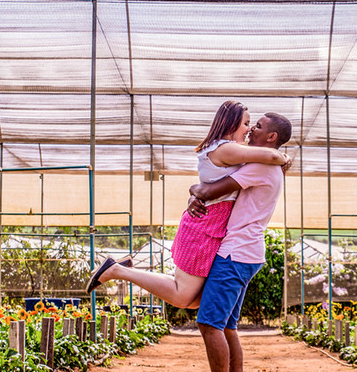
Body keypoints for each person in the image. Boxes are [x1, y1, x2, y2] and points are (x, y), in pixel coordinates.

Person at [85, 101, 289, 307]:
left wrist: (194, 192)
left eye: (253, 125)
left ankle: (123, 270)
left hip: (214, 225)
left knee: (195, 301)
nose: (250, 129)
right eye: (246, 123)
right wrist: (285, 157)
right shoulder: (226, 149)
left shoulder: (232, 151)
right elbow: (271, 155)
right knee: (182, 296)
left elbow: (210, 184)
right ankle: (117, 270)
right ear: (231, 124)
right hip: (206, 224)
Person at [182, 111, 293, 372]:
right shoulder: (266, 166)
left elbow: (209, 191)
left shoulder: (259, 165)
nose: (252, 128)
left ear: (271, 137)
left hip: (235, 254)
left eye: (257, 126)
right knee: (227, 327)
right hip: (248, 253)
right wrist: (198, 192)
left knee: (209, 324)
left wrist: (196, 191)